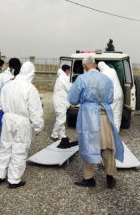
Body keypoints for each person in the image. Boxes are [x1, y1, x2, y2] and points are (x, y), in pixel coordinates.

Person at [68, 55, 124, 188]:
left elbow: (72, 99)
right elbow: (110, 99)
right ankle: (110, 177)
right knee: (107, 146)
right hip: (104, 114)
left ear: (85, 66)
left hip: (88, 116)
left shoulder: (82, 79)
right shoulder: (106, 79)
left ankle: (89, 178)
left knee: (88, 144)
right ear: (95, 64)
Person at [0, 61, 44, 188]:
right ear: (31, 73)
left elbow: (1, 103)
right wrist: (38, 126)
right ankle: (14, 180)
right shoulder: (30, 88)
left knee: (5, 147)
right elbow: (35, 110)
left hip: (7, 118)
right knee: (19, 149)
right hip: (22, 121)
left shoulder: (7, 85)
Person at [0, 58, 22, 150]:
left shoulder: (19, 76)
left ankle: (11, 148)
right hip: (3, 108)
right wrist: (1, 103)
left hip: (14, 109)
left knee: (12, 131)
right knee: (1, 130)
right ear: (10, 67)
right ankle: (0, 148)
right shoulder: (2, 76)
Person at [98, 61, 124, 132]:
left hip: (112, 97)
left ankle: (110, 134)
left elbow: (102, 87)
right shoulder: (113, 70)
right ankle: (116, 132)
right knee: (117, 115)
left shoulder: (103, 74)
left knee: (109, 115)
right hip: (120, 95)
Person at [50, 64, 72, 142]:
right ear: (67, 70)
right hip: (60, 102)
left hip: (59, 101)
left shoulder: (61, 77)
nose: (70, 72)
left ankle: (62, 135)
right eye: (69, 70)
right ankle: (54, 134)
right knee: (61, 120)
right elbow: (69, 89)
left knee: (61, 119)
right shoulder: (63, 77)